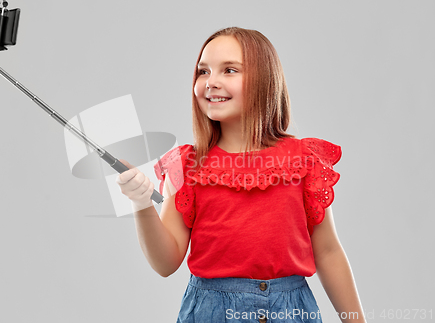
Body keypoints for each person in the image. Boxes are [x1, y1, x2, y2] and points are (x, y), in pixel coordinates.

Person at [116, 27, 366, 323]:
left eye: (229, 70)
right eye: (203, 72)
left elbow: (328, 252)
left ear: (265, 81)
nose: (211, 82)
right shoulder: (187, 165)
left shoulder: (303, 160)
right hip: (211, 312)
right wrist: (141, 202)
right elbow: (165, 262)